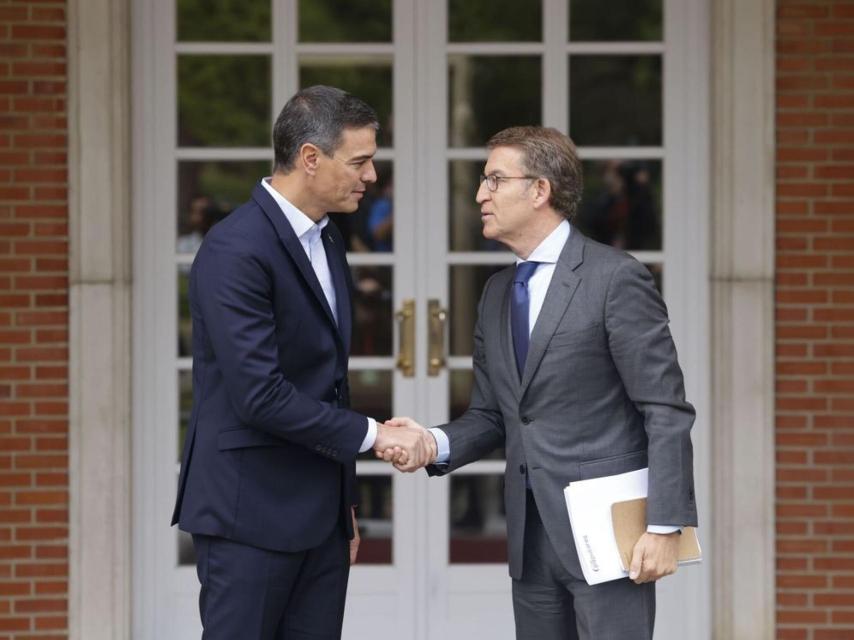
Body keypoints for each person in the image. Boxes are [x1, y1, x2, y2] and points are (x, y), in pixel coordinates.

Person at [382, 126, 697, 640]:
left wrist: (664, 526)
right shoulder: (496, 292)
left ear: (540, 190)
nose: (480, 194)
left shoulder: (615, 278)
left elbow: (665, 409)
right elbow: (494, 415)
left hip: (610, 537)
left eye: (494, 180)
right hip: (530, 539)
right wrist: (431, 443)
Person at [171, 85, 433, 640]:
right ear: (310, 158)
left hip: (320, 519)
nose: (371, 176)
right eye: (359, 162)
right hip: (248, 515)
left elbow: (329, 383)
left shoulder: (329, 239)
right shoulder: (235, 249)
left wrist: (344, 505)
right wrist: (375, 435)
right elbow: (260, 395)